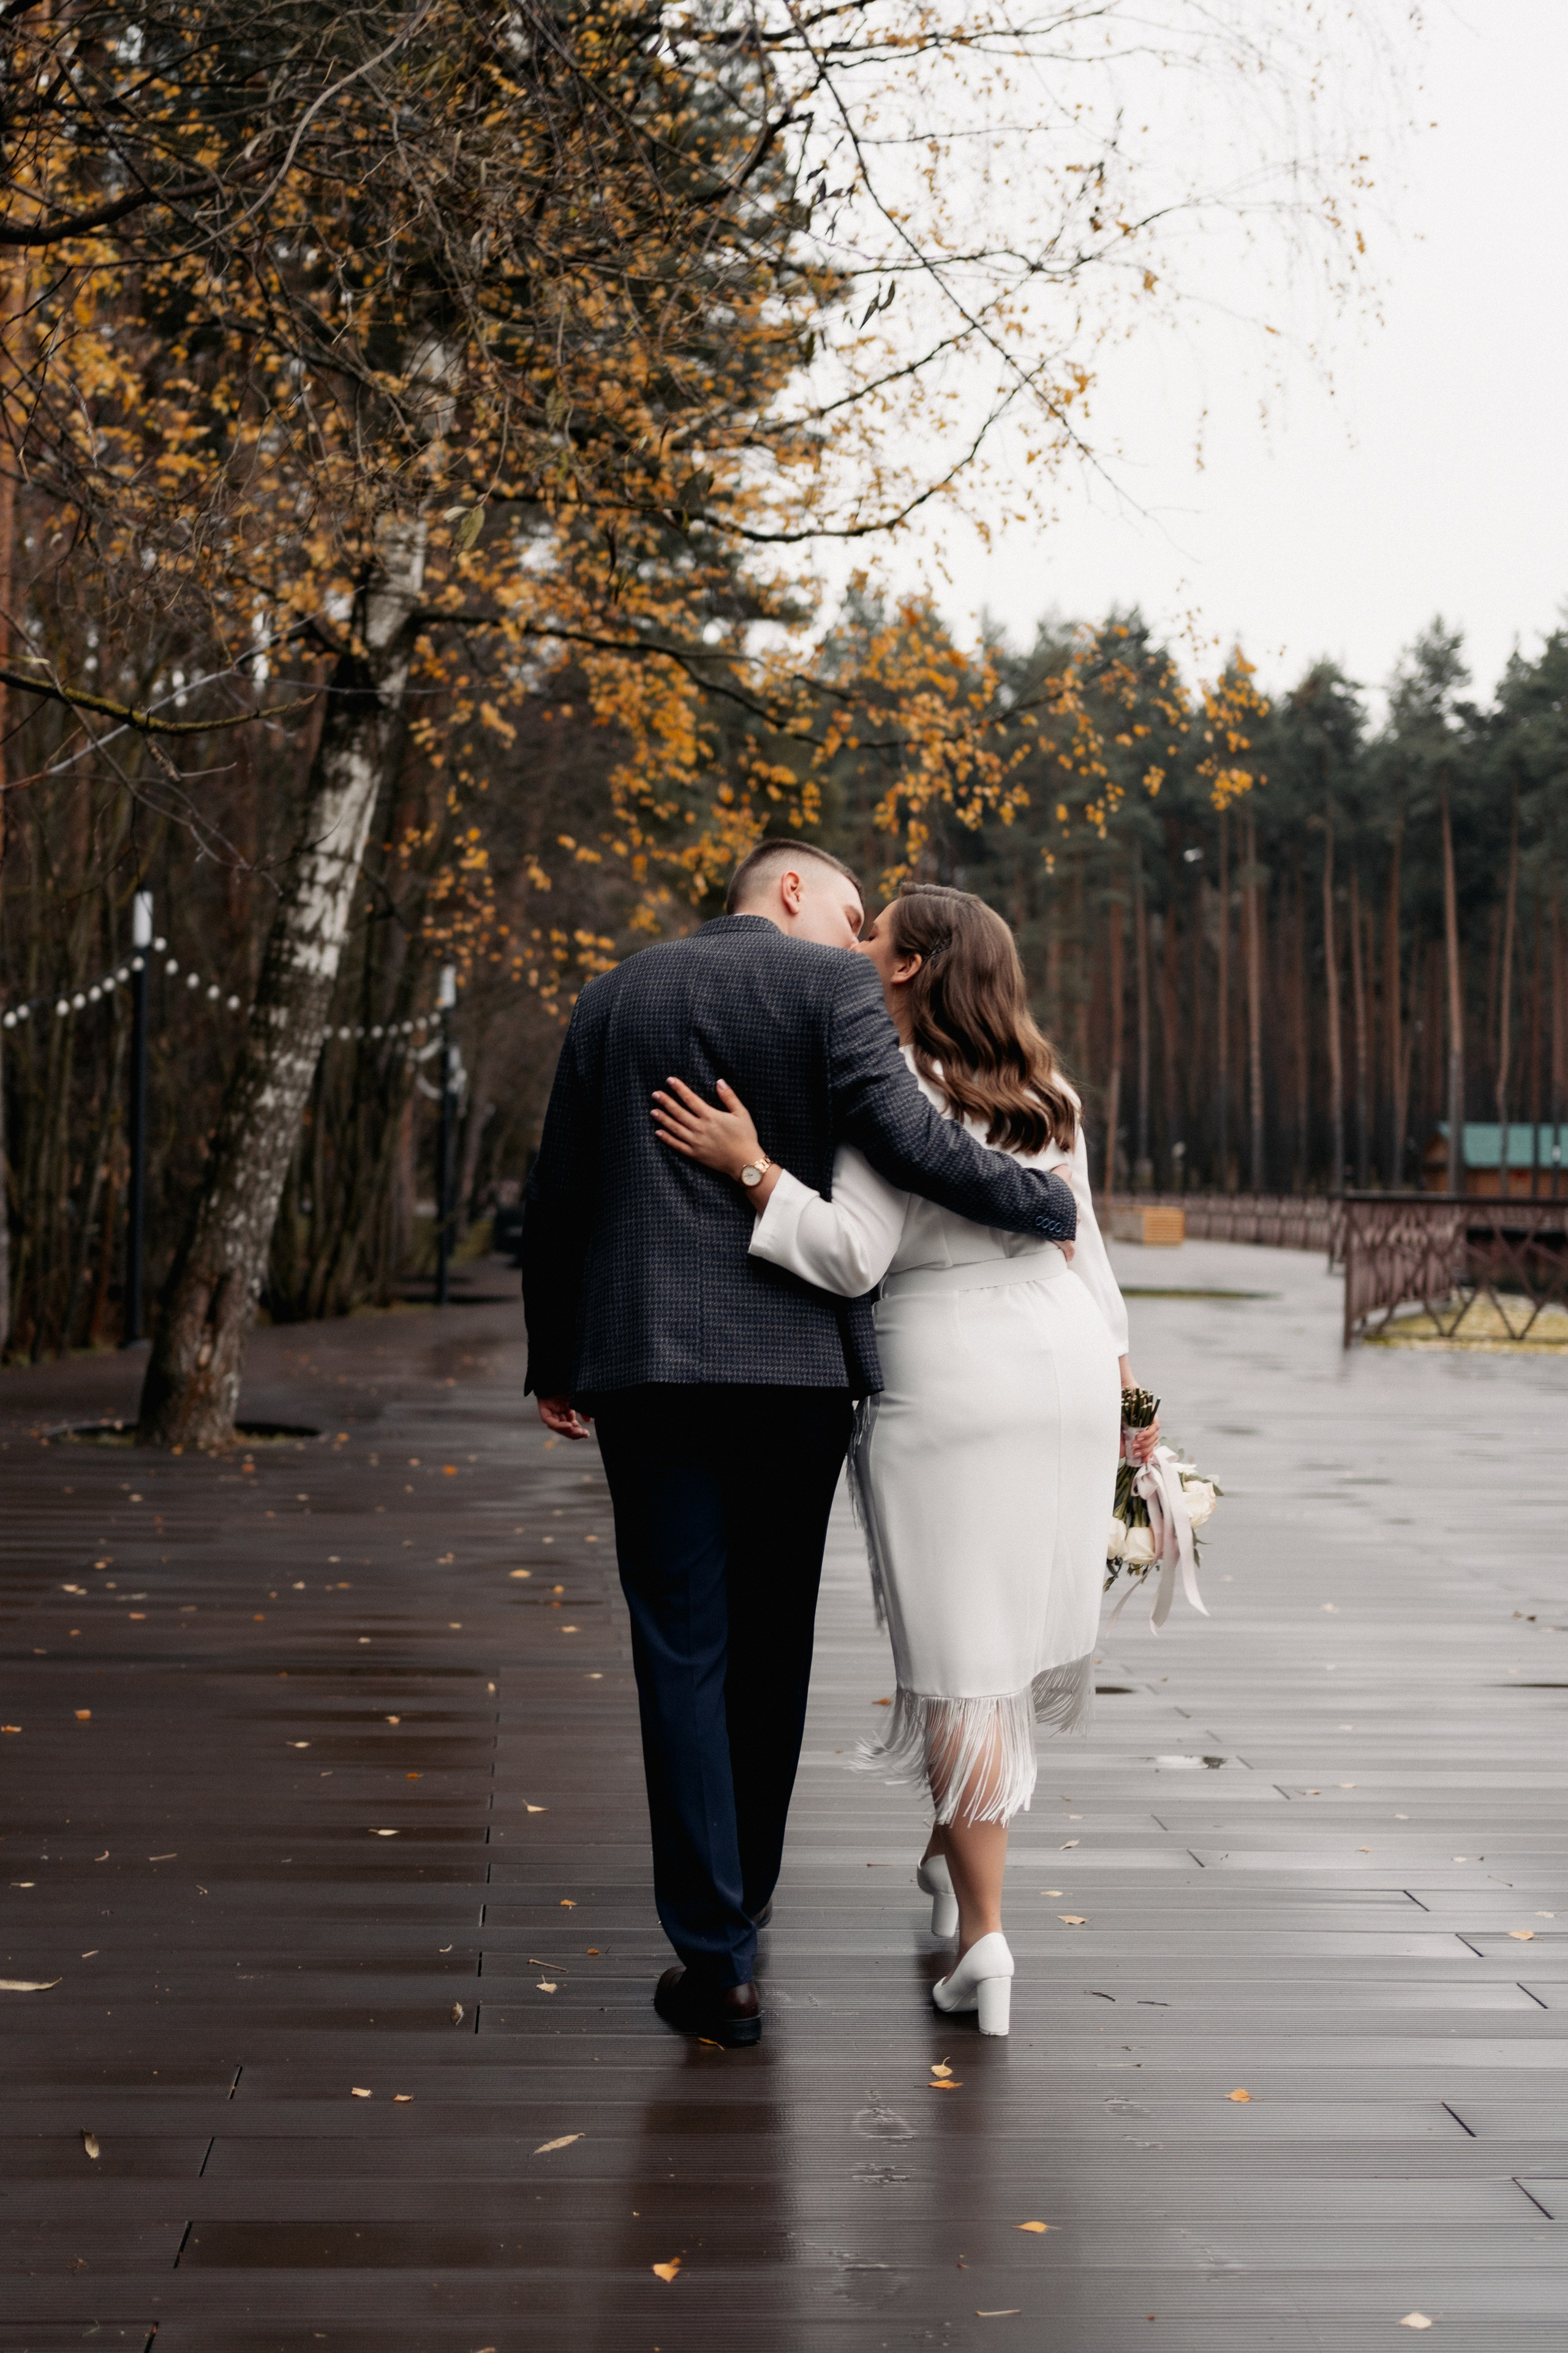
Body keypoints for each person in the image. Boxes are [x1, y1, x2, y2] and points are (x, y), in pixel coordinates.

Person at [521, 843, 1079, 2047]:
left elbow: (557, 1185)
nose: (857, 933)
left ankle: (716, 1950)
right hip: (792, 1373)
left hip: (648, 1367)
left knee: (680, 1643)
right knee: (770, 1641)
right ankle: (748, 1891)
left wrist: (552, 1358)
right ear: (788, 891)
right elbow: (912, 1145)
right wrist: (1048, 1202)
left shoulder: (614, 993)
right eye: (848, 910)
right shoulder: (828, 991)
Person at [652, 882, 1148, 2038]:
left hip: (954, 1377)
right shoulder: (1049, 1094)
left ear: (913, 967)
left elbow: (851, 1256)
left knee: (966, 1644)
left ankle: (985, 1939)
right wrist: (1133, 1398)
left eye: (870, 938)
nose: (854, 949)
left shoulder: (887, 1090)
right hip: (1067, 1364)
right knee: (1013, 1624)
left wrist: (751, 1168)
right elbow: (1092, 1257)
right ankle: (950, 1854)